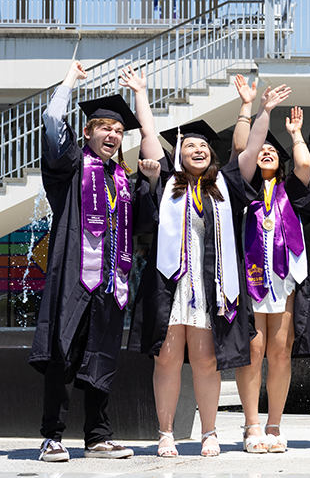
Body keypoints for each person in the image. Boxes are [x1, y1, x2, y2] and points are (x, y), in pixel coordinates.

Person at [129, 85, 288, 457]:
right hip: (170, 285)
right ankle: (166, 432)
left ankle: (209, 432)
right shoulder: (167, 182)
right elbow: (150, 136)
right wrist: (140, 93)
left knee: (205, 359)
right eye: (189, 147)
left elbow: (250, 151)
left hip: (210, 287)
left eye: (203, 147)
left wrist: (261, 110)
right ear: (179, 153)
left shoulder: (225, 185)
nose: (198, 150)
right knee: (166, 357)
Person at [31, 61, 164, 462]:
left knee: (102, 355)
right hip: (74, 276)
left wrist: (153, 181)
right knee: (64, 351)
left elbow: (144, 219)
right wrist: (71, 79)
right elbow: (53, 119)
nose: (113, 134)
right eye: (105, 127)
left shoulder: (123, 181)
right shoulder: (69, 169)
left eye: (119, 130)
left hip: (111, 283)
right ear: (87, 132)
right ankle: (52, 436)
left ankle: (97, 436)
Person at [231, 74, 310, 453]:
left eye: (272, 150)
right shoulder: (242, 187)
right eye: (260, 149)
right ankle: (251, 426)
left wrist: (296, 134)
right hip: (248, 280)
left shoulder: (291, 193)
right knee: (253, 349)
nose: (265, 152)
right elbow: (240, 149)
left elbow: (305, 166)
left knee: (280, 350)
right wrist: (250, 108)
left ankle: (275, 424)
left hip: (283, 282)